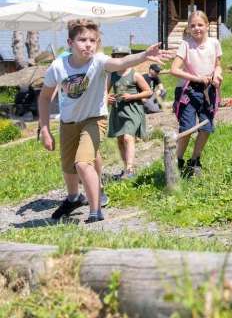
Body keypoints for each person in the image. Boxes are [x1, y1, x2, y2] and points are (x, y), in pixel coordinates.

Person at [37, 19, 170, 223]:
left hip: (94, 119)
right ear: (70, 43)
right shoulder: (58, 66)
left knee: (83, 163)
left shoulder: (99, 61)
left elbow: (121, 63)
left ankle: (95, 210)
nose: (88, 44)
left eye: (93, 40)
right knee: (68, 166)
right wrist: (45, 129)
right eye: (82, 40)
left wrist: (144, 55)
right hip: (68, 122)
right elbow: (45, 98)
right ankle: (74, 198)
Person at [170, 10, 223, 177]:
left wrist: (217, 75)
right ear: (188, 28)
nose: (196, 28)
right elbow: (174, 69)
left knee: (206, 127)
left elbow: (218, 65)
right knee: (187, 127)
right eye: (192, 25)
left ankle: (194, 160)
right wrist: (197, 78)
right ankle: (178, 160)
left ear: (207, 25)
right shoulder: (186, 44)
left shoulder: (214, 43)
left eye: (200, 25)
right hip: (188, 90)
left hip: (208, 89)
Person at [107, 46, 153, 180]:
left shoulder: (135, 74)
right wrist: (107, 98)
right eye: (117, 56)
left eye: (123, 55)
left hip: (133, 109)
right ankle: (126, 167)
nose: (120, 58)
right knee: (120, 139)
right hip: (118, 110)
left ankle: (130, 168)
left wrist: (132, 96)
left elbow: (148, 92)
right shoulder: (111, 75)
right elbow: (105, 92)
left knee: (128, 137)